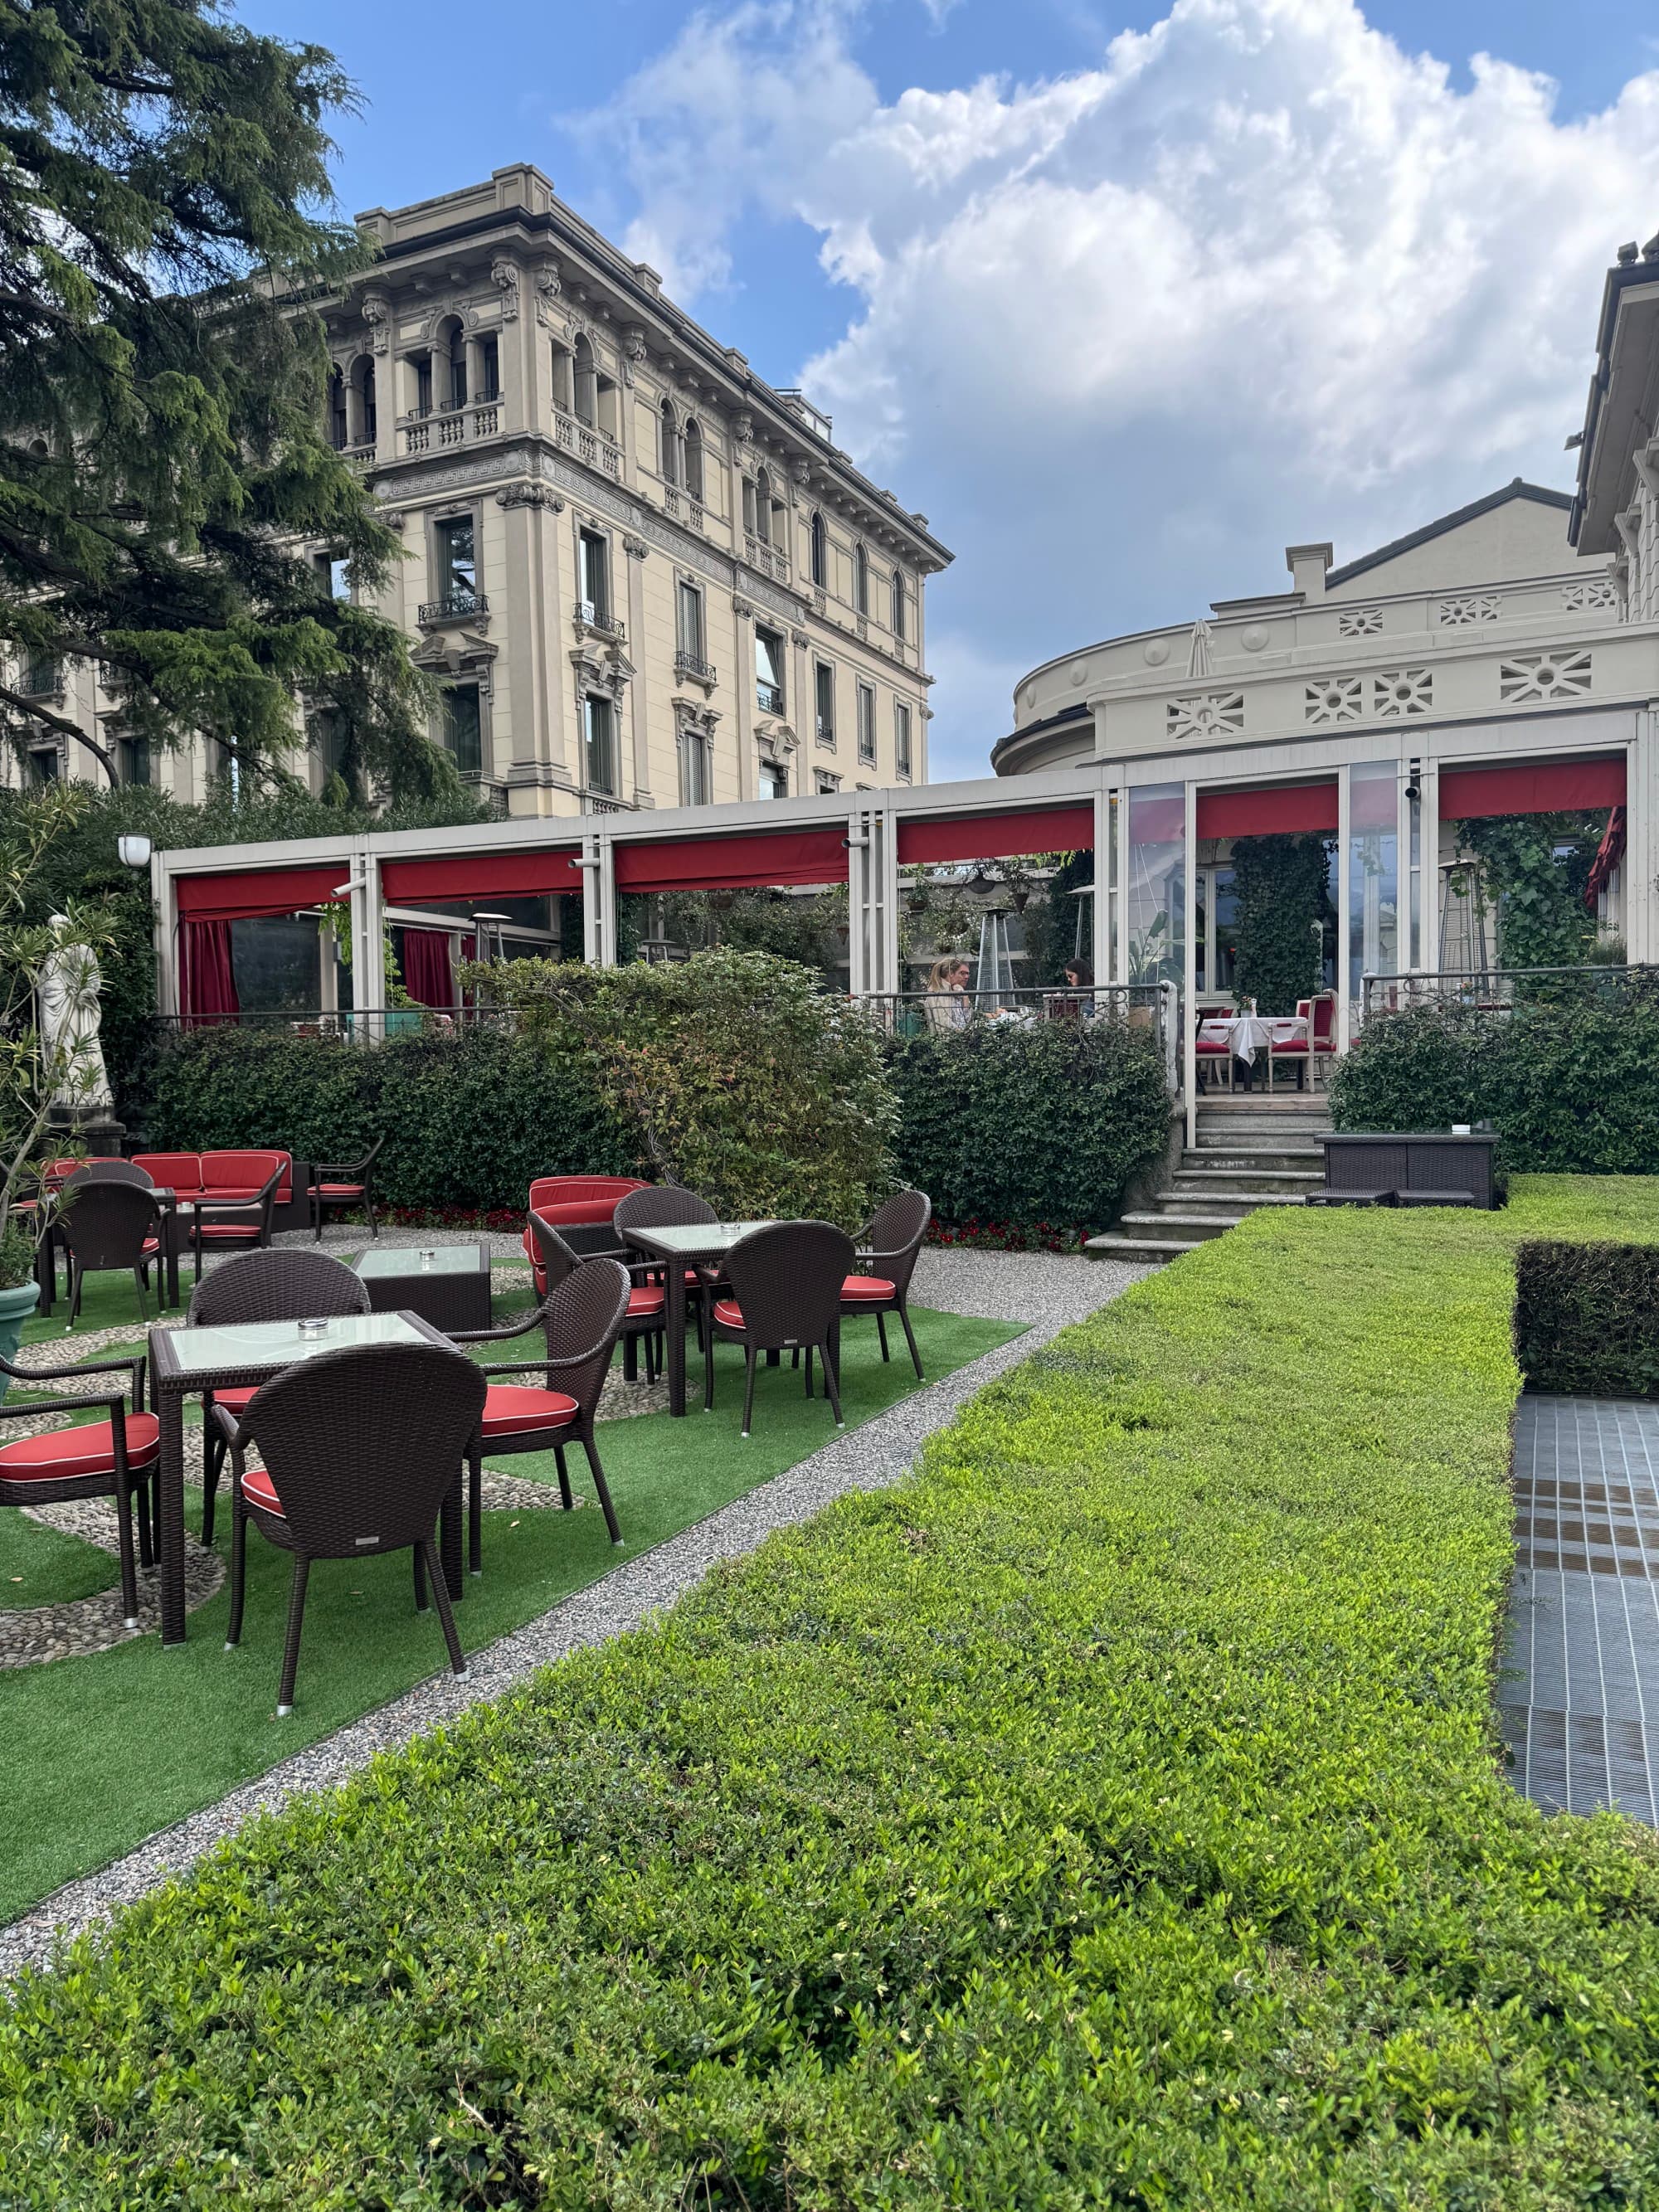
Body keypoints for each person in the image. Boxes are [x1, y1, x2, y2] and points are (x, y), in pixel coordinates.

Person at [924, 955, 972, 1033]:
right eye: (962, 973)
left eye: (968, 974)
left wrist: (965, 997)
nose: (966, 977)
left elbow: (968, 1021)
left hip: (964, 1040)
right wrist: (963, 1034)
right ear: (951, 973)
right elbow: (944, 1026)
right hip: (950, 1042)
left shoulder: (958, 993)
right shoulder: (939, 993)